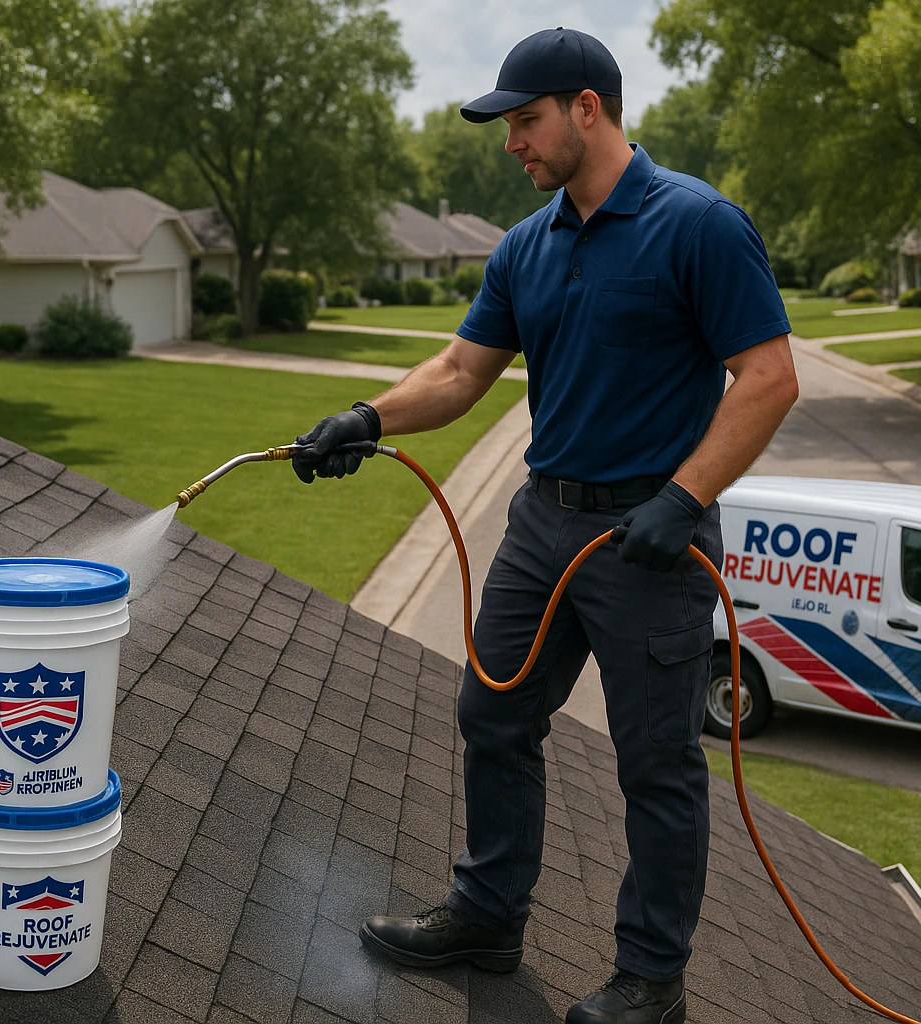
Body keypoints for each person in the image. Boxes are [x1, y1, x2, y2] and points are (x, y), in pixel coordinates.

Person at [291, 27, 798, 1024]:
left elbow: (769, 377)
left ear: (587, 109)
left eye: (526, 121)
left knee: (654, 763)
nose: (513, 143)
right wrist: (365, 418)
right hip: (542, 527)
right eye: (508, 125)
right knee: (493, 714)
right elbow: (459, 374)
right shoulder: (528, 247)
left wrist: (684, 499)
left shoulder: (697, 224)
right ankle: (487, 912)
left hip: (653, 541)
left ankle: (653, 978)